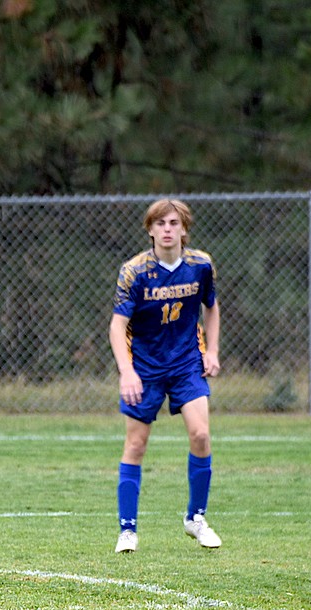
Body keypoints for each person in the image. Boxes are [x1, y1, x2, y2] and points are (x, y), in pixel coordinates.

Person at [108, 199, 221, 554]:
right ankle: (128, 530)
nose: (167, 229)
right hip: (145, 368)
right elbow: (117, 326)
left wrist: (212, 351)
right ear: (150, 229)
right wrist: (127, 372)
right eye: (160, 223)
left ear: (184, 228)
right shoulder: (134, 272)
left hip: (186, 363)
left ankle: (196, 518)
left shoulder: (200, 265)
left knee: (201, 435)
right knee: (136, 445)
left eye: (174, 222)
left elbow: (211, 307)